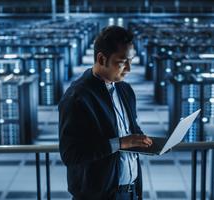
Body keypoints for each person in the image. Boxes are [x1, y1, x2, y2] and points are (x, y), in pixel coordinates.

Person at [58, 25, 153, 200]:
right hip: (98, 196)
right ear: (101, 58)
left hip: (131, 192)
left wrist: (141, 140)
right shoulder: (77, 97)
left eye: (131, 61)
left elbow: (131, 129)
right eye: (123, 62)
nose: (129, 69)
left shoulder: (125, 90)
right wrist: (120, 143)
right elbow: (70, 155)